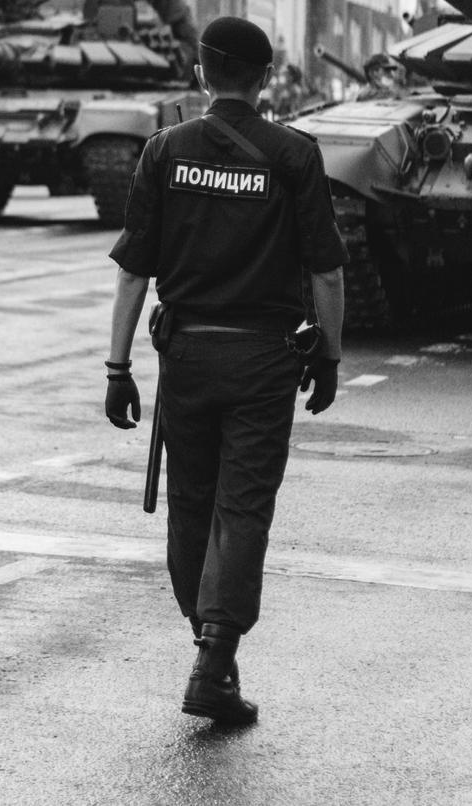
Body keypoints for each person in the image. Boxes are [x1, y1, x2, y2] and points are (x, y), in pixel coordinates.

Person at [104, 15, 346, 725]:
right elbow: (326, 272)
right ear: (265, 77)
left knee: (191, 506)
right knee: (241, 508)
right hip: (263, 360)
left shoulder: (164, 152)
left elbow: (131, 275)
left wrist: (118, 368)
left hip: (187, 358)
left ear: (204, 72)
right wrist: (328, 356)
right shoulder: (292, 154)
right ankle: (213, 661)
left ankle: (213, 651)